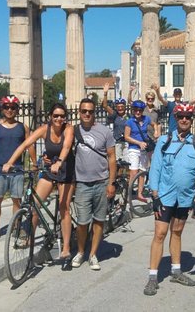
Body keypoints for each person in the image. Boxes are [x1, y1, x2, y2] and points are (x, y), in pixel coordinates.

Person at [143, 103, 195, 296]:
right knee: (160, 233)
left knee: (177, 232)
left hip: (185, 197)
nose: (184, 120)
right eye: (181, 116)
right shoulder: (165, 140)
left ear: (192, 119)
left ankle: (176, 271)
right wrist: (154, 194)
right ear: (175, 117)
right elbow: (155, 168)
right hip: (165, 195)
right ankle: (153, 277)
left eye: (188, 116)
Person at [2, 103, 76, 270]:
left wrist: (58, 161)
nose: (59, 119)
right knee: (35, 205)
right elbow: (25, 144)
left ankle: (65, 249)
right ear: (50, 116)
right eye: (56, 116)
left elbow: (66, 147)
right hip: (50, 170)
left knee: (64, 208)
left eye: (62, 116)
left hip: (65, 170)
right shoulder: (44, 129)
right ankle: (30, 238)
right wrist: (10, 162)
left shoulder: (68, 129)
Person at [0, 95, 36, 242]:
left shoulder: (22, 127)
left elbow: (29, 145)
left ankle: (17, 226)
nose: (9, 110)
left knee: (16, 200)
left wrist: (34, 162)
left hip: (17, 169)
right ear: (2, 109)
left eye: (13, 107)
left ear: (17, 110)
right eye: (6, 107)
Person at [71, 98, 117, 271]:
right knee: (83, 222)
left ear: (95, 112)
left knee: (99, 220)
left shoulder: (105, 132)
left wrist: (111, 183)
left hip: (101, 182)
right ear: (79, 112)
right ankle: (81, 251)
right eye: (84, 111)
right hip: (82, 183)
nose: (87, 114)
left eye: (90, 111)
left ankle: (93, 254)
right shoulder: (73, 131)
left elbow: (112, 157)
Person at [124, 100, 152, 202]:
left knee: (142, 172)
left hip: (143, 149)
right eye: (136, 110)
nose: (138, 112)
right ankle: (129, 194)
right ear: (133, 110)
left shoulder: (146, 119)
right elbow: (126, 137)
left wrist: (157, 131)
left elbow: (155, 124)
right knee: (133, 172)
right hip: (133, 149)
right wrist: (138, 143)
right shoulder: (130, 122)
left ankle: (140, 193)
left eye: (140, 110)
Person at [102, 82, 128, 161]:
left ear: (125, 107)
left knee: (127, 162)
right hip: (117, 142)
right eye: (118, 107)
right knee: (117, 162)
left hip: (127, 142)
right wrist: (105, 93)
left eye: (122, 106)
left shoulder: (129, 116)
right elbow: (105, 106)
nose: (120, 108)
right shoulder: (115, 114)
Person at [144, 89, 161, 162]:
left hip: (153, 137)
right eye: (148, 98)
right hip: (144, 136)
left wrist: (158, 135)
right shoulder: (142, 109)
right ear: (146, 99)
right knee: (144, 160)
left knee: (153, 159)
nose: (150, 100)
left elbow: (159, 123)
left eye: (152, 98)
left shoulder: (157, 110)